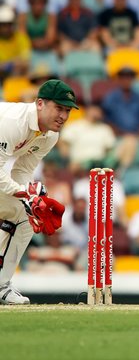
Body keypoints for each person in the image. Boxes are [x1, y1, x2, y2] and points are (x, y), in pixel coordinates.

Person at [0, 79, 78, 304]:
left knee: (26, 213)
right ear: (40, 104)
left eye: (67, 111)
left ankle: (2, 286)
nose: (63, 116)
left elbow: (22, 170)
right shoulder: (13, 122)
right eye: (59, 108)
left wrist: (30, 198)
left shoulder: (51, 135)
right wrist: (25, 195)